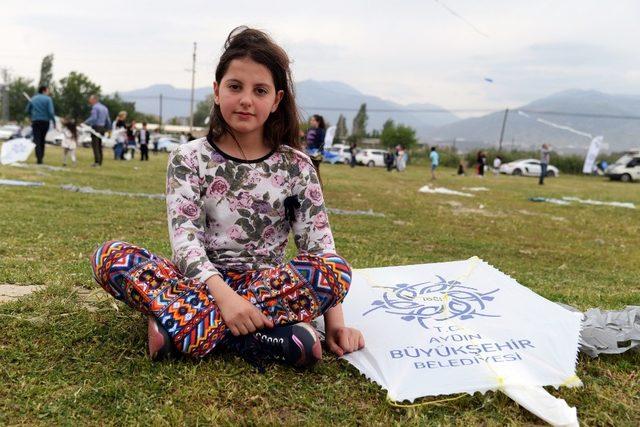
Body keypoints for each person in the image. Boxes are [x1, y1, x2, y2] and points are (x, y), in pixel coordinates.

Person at [90, 26, 364, 369]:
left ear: (276, 100)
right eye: (235, 87)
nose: (246, 99)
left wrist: (336, 325)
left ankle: (184, 328)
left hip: (269, 286)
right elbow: (185, 243)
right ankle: (262, 337)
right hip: (200, 283)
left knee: (336, 270)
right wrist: (226, 300)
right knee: (110, 256)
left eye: (259, 90)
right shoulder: (188, 158)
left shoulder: (297, 166)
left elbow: (319, 247)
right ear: (217, 92)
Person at [26, 85, 56, 164]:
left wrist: (31, 116)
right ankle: (41, 157)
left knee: (37, 140)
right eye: (48, 90)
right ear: (44, 90)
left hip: (35, 121)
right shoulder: (48, 99)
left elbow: (27, 110)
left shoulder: (33, 98)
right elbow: (51, 112)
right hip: (45, 122)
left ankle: (38, 157)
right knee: (42, 140)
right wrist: (54, 121)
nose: (49, 92)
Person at [84, 95, 111, 166]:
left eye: (90, 99)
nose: (89, 101)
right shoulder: (105, 108)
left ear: (94, 100)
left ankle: (96, 162)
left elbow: (93, 118)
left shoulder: (95, 107)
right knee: (99, 144)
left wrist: (85, 122)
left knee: (95, 145)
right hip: (102, 127)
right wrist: (109, 128)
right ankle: (100, 161)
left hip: (96, 127)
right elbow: (108, 119)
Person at [305, 114, 326, 179]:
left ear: (318, 122)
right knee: (308, 171)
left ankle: (317, 186)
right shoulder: (309, 129)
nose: (311, 121)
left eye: (313, 120)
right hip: (308, 153)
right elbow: (307, 141)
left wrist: (318, 153)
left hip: (316, 154)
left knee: (315, 171)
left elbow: (321, 143)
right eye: (311, 120)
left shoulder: (321, 131)